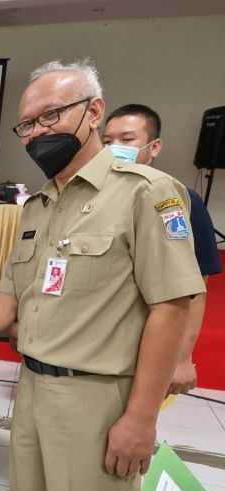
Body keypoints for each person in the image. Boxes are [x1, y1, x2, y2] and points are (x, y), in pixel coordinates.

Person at [0, 60, 205, 491]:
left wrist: (141, 419)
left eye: (52, 115)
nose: (37, 131)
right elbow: (9, 295)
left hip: (99, 400)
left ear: (93, 111)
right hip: (31, 392)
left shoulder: (147, 192)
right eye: (27, 124)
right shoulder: (36, 207)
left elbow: (171, 306)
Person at [103, 103, 222, 395]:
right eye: (107, 142)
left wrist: (181, 358)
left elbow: (194, 289)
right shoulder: (95, 197)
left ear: (153, 147)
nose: (114, 148)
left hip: (144, 346)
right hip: (96, 346)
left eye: (127, 140)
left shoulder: (179, 200)